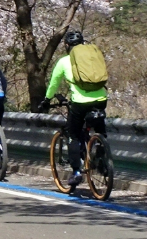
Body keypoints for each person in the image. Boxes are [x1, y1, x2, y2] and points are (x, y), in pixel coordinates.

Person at [38, 29, 108, 188]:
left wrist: (47, 100)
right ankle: (102, 158)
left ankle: (76, 172)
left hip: (80, 103)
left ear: (67, 45)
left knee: (73, 135)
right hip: (101, 99)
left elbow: (53, 84)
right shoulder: (92, 57)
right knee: (100, 129)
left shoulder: (64, 61)